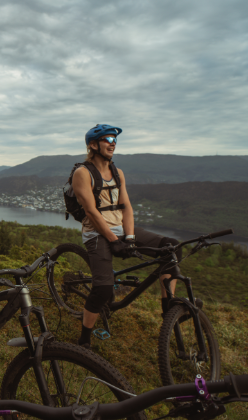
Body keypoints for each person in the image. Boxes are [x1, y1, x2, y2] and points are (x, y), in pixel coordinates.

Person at [72, 124, 182, 349]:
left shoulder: (117, 172)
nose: (112, 142)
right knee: (102, 289)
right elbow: (91, 212)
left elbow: (127, 207)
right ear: (93, 145)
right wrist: (113, 241)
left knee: (171, 248)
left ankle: (168, 311)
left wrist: (129, 238)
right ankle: (84, 338)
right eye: (107, 139)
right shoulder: (82, 173)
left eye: (114, 139)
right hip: (96, 233)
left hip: (121, 229)